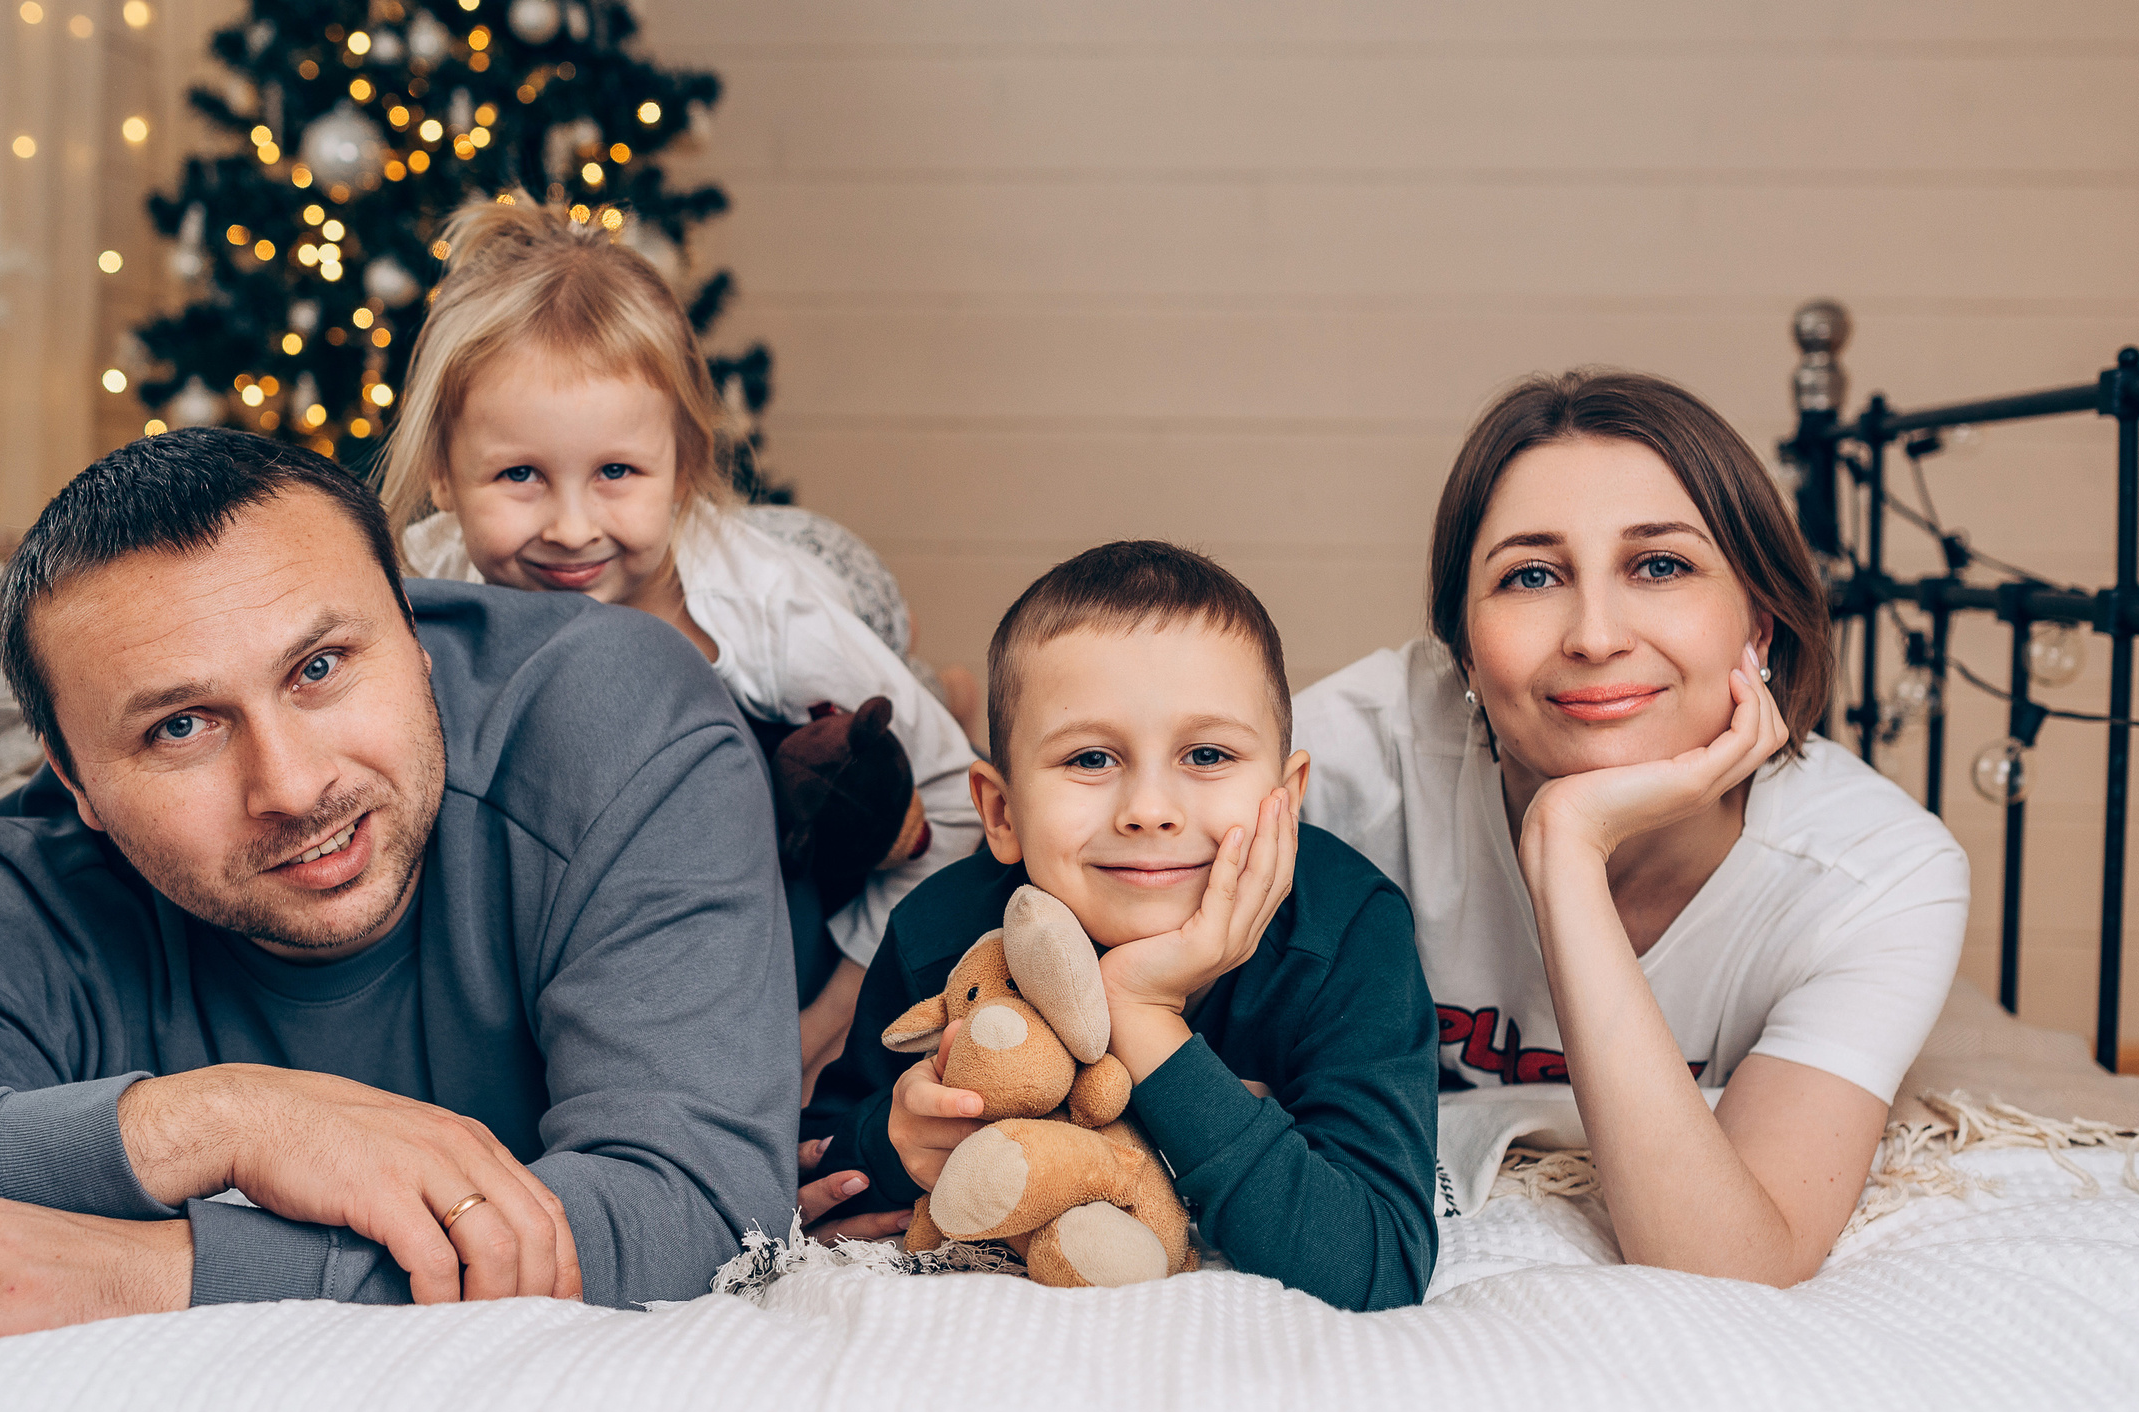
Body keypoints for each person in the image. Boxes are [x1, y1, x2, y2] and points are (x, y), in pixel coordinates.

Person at [0, 430, 797, 1357]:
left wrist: (147, 1269)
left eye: (321, 668)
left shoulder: (610, 716)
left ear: (416, 634)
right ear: (73, 781)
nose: (291, 786)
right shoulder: (29, 883)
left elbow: (699, 1207)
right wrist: (210, 1123)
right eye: (180, 727)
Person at [1295, 369, 1969, 1288]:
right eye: (1530, 575)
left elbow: (1730, 1264)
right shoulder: (1344, 762)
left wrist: (1565, 848)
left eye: (1662, 565)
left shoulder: (1873, 876)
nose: (1596, 636)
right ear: (1460, 646)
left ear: (1759, 626)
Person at [375, 199, 981, 1098]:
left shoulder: (762, 606)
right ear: (442, 476)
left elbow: (957, 798)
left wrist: (836, 1011)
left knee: (877, 751)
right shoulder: (424, 590)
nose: (572, 528)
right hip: (566, 909)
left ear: (684, 463)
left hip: (772, 901)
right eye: (519, 476)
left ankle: (935, 677)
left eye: (616, 473)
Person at [802, 542, 1439, 1308]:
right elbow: (816, 1172)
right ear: (1000, 813)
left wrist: (1142, 1013)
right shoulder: (943, 933)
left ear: (1287, 796)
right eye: (1092, 759)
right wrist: (894, 1140)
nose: (1148, 810)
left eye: (1206, 754)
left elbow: (1374, 1265)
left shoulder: (1349, 932)